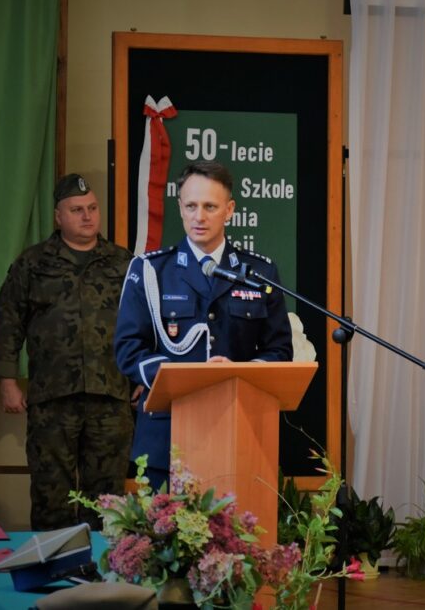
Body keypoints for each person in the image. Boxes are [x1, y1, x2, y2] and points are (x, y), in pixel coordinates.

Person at [114, 160, 292, 489]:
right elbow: (128, 350)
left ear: (229, 210)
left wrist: (237, 374)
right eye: (191, 206)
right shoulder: (151, 271)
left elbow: (279, 350)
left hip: (240, 433)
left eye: (210, 206)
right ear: (180, 207)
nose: (199, 216)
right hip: (166, 438)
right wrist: (186, 379)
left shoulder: (259, 273)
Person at [0, 174, 135, 530]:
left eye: (92, 208)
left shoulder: (123, 263)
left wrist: (143, 376)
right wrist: (7, 381)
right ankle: (53, 564)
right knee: (51, 494)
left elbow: (143, 323)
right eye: (76, 210)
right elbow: (8, 320)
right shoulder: (33, 263)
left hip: (110, 395)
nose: (87, 216)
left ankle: (104, 565)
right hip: (52, 397)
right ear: (58, 217)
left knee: (107, 500)